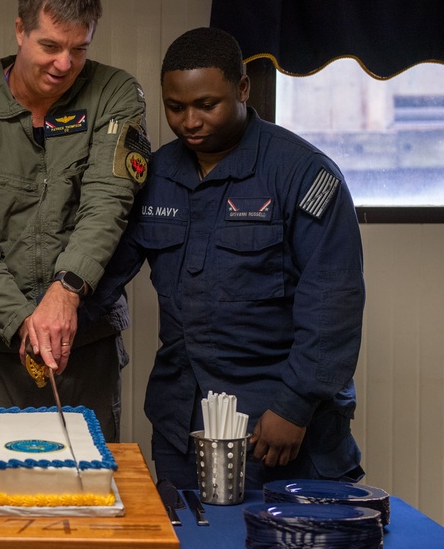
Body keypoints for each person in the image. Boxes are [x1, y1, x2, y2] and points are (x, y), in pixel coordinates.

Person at [90, 27, 365, 489]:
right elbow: (105, 270)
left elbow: (333, 301)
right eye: (175, 108)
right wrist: (47, 314)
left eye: (206, 105)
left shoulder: (301, 173)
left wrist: (294, 405)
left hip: (275, 422)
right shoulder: (155, 176)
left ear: (242, 89)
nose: (189, 121)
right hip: (182, 423)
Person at [0, 0, 149, 441]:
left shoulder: (116, 93)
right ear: (19, 30)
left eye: (79, 48)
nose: (64, 65)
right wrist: (23, 322)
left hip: (86, 336)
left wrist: (65, 292)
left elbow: (107, 201)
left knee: (88, 482)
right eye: (50, 46)